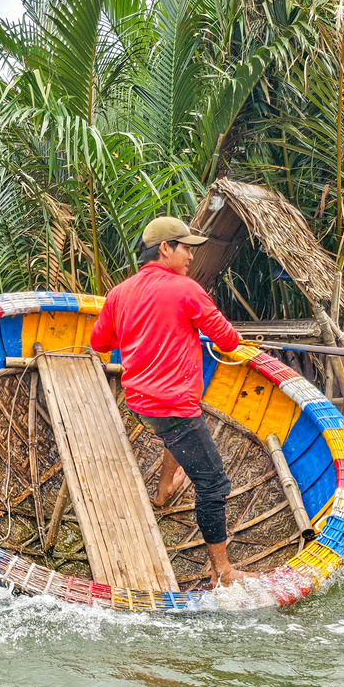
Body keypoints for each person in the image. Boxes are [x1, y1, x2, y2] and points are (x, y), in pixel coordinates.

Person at [90, 215, 256, 588]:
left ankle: (164, 490)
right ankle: (223, 569)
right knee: (214, 485)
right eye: (186, 248)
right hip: (174, 408)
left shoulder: (119, 293)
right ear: (165, 249)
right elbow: (228, 341)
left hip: (140, 403)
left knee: (178, 435)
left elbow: (100, 343)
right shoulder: (186, 290)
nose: (192, 257)